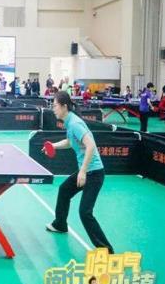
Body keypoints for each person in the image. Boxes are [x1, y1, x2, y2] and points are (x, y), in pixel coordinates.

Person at [43, 91, 114, 254]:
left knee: (85, 212)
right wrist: (53, 146)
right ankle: (60, 224)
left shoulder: (75, 123)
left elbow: (91, 146)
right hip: (87, 171)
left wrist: (82, 171)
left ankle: (107, 251)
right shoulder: (69, 122)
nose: (53, 109)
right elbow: (70, 142)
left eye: (55, 105)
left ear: (64, 106)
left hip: (94, 173)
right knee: (64, 190)